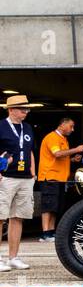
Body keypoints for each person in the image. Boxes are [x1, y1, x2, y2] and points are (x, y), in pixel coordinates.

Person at [0, 95, 37, 271]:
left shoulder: (27, 127)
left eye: (27, 109)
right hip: (5, 177)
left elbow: (29, 151)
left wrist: (33, 173)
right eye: (23, 109)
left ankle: (13, 257)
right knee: (0, 217)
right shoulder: (1, 126)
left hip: (25, 178)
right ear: (11, 110)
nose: (26, 112)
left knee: (18, 217)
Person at [36, 116, 83, 242]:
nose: (72, 129)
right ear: (62, 125)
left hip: (59, 178)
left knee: (55, 206)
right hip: (50, 176)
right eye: (71, 126)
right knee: (48, 205)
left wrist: (72, 159)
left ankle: (51, 232)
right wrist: (76, 149)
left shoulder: (63, 139)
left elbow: (60, 157)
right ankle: (45, 233)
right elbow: (57, 154)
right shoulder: (52, 137)